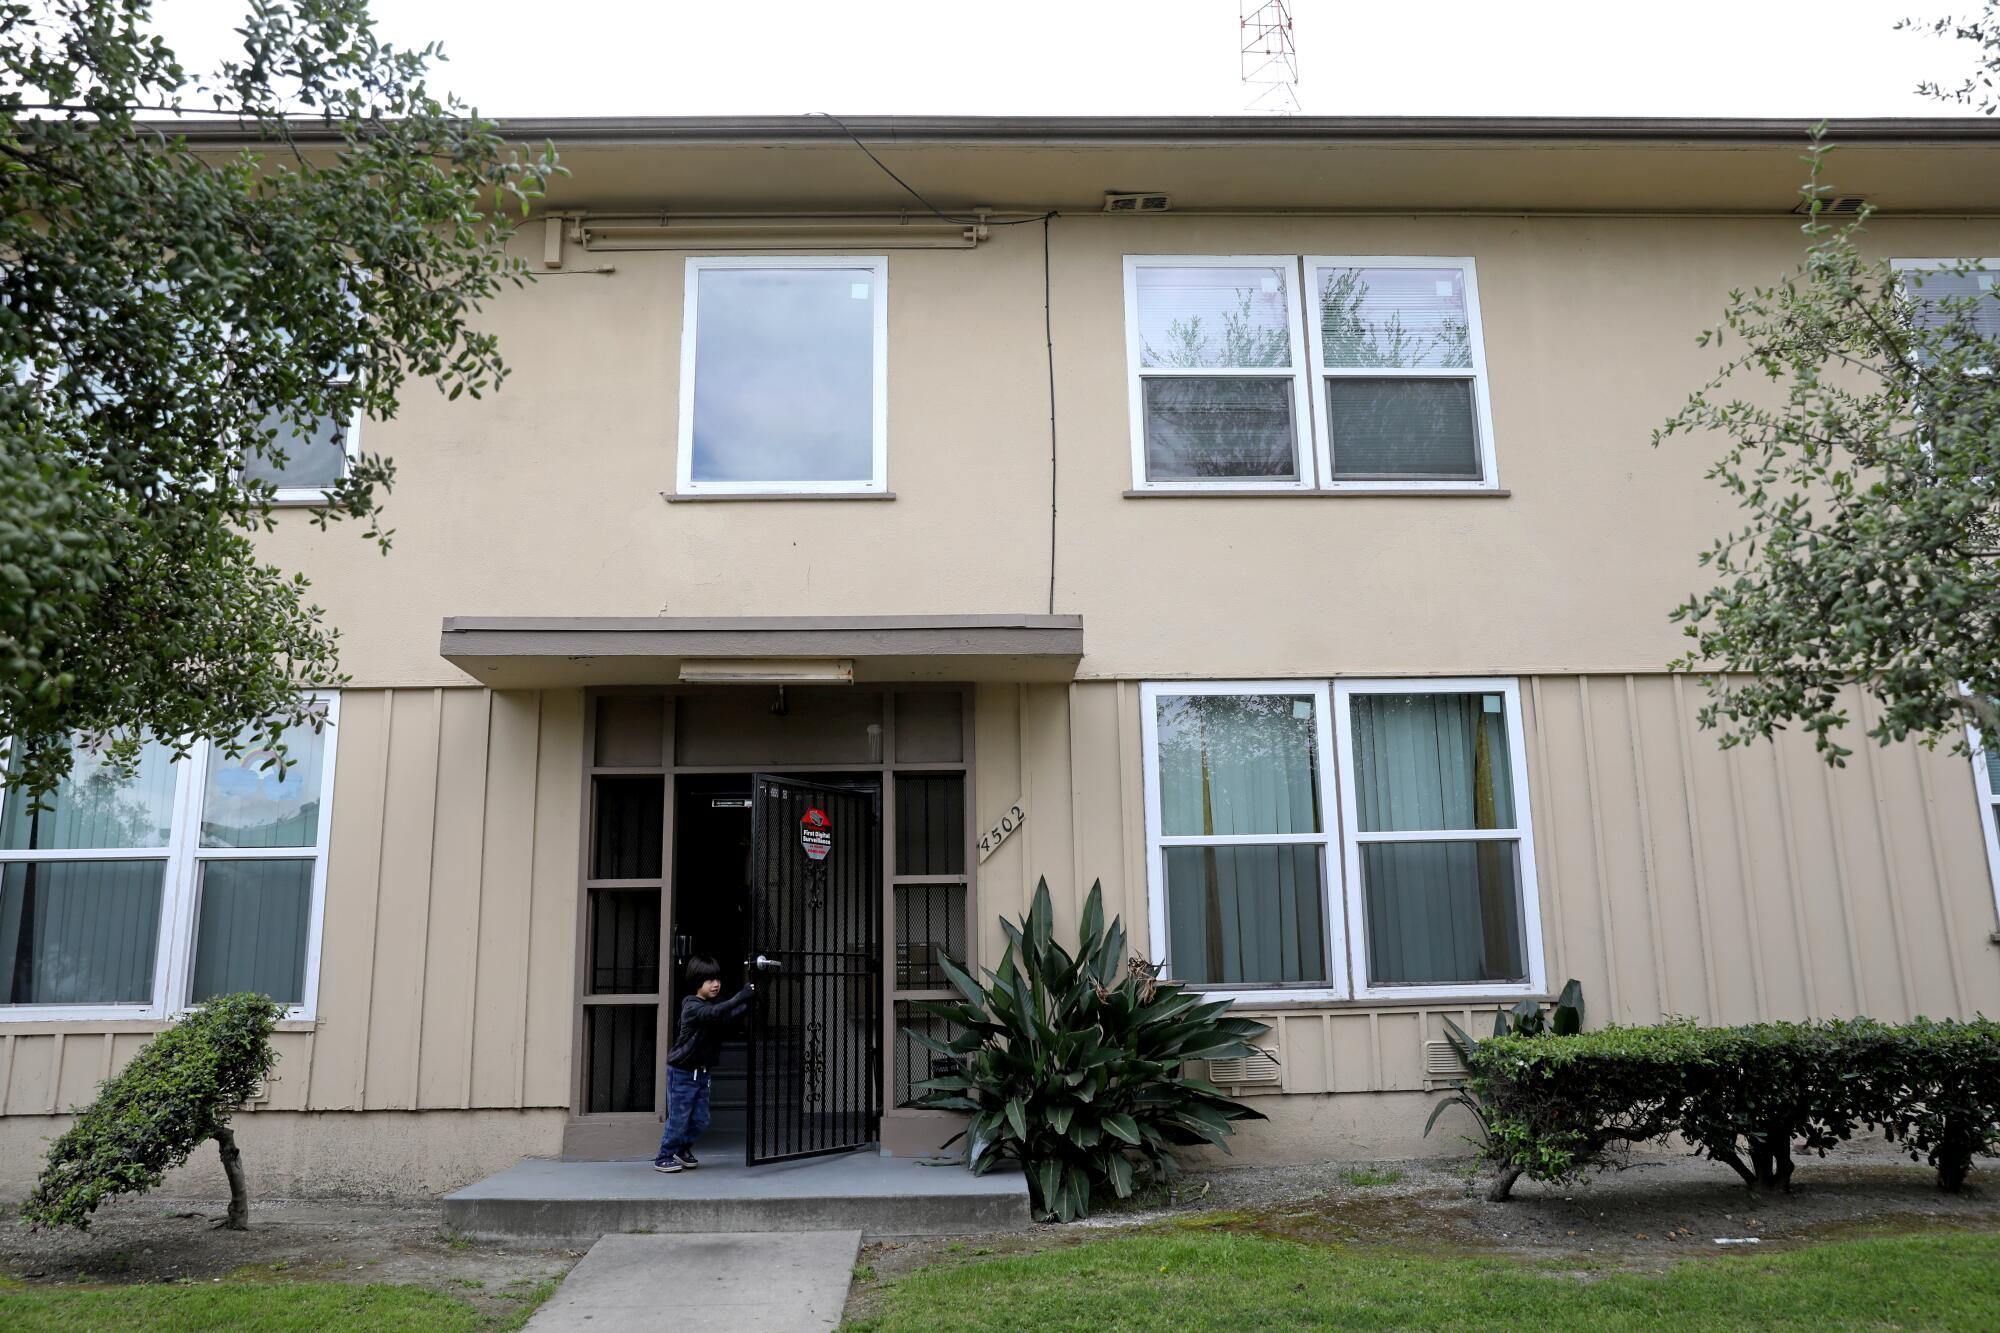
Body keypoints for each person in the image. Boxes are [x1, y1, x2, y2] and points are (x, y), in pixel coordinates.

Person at [654, 956, 754, 1173]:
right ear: (696, 981)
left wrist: (749, 1002)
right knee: (679, 1119)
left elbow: (727, 1016)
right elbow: (713, 1014)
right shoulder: (691, 1005)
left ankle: (682, 1150)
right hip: (682, 1072)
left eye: (717, 979)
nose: (715, 984)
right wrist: (741, 996)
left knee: (700, 1120)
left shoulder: (714, 1004)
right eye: (709, 980)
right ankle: (664, 1156)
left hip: (702, 1073)